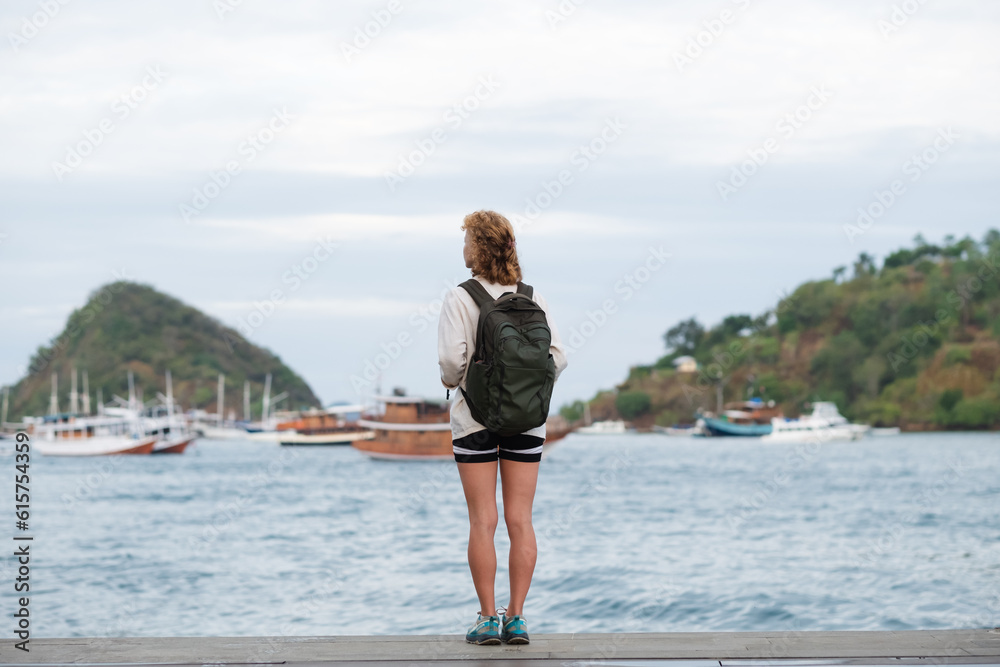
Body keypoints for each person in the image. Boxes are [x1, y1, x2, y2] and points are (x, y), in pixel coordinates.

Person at [437, 210, 569, 645]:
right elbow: (557, 358)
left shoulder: (460, 297)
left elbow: (452, 363)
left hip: (474, 418)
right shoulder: (533, 297)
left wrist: (455, 383)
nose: (463, 249)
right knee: (520, 520)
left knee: (482, 520)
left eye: (467, 241)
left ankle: (487, 619)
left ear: (477, 248)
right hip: (528, 421)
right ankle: (517, 619)